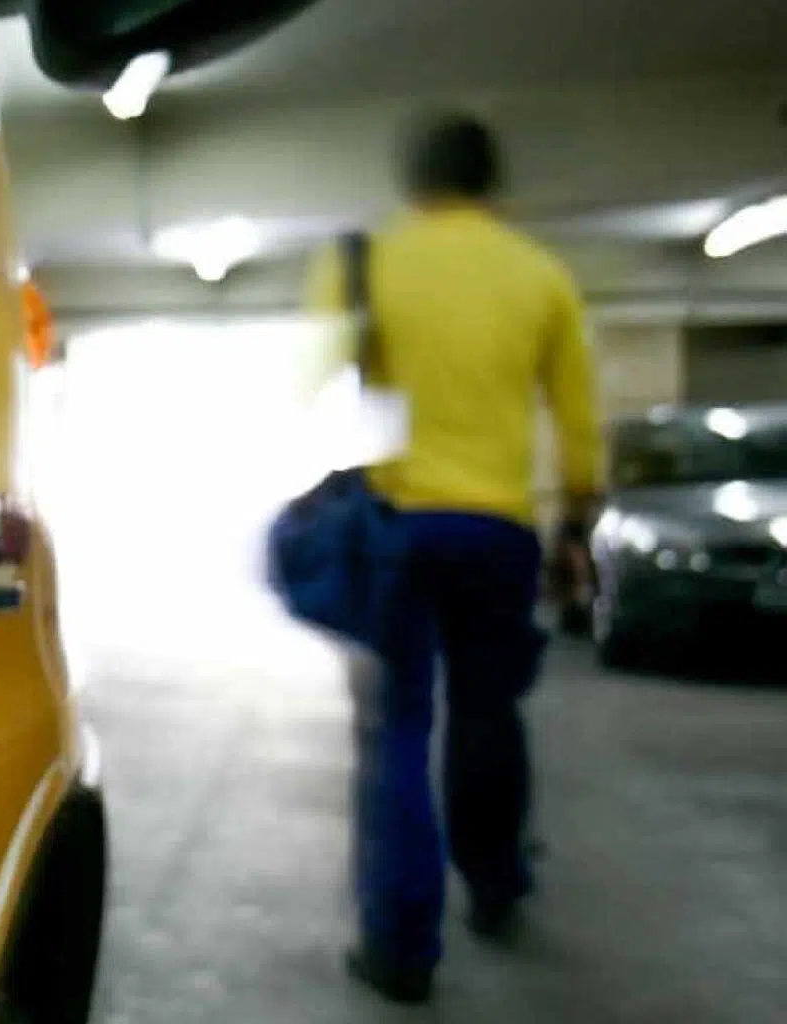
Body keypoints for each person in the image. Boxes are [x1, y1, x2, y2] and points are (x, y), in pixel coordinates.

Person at [302, 112, 601, 1003]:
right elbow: (578, 423)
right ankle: (497, 884)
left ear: (413, 183)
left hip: (397, 524)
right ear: (490, 182)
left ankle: (400, 949)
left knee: (396, 726)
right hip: (499, 529)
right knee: (487, 710)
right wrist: (576, 522)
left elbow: (314, 388)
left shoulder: (364, 262)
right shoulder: (540, 273)